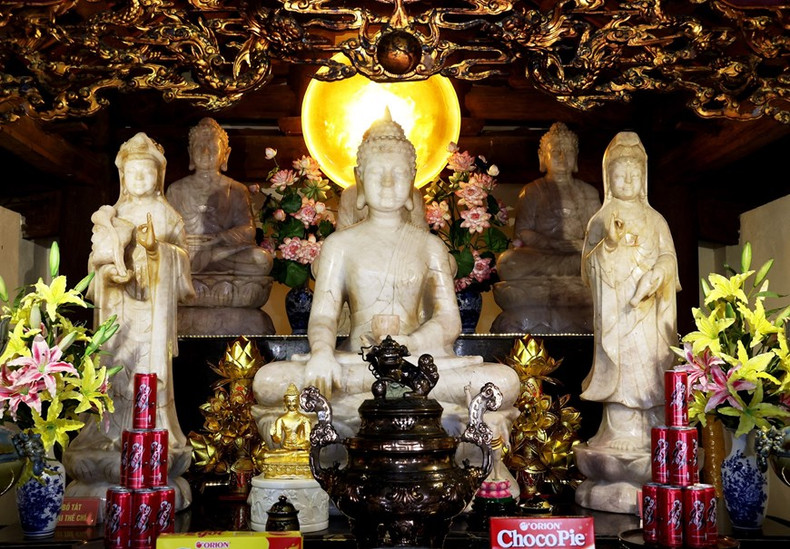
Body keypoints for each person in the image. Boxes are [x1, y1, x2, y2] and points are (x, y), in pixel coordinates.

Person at [252, 112, 520, 460]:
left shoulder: (429, 246)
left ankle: (356, 413)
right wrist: (320, 353)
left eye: (399, 174)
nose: (389, 182)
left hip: (418, 366)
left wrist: (410, 344)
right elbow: (323, 318)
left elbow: (448, 322)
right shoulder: (340, 245)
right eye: (378, 173)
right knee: (270, 380)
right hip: (357, 366)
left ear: (413, 181)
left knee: (503, 380)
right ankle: (425, 416)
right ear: (359, 180)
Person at [63, 132, 195, 508]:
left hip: (152, 315)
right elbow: (93, 270)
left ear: (159, 177)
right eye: (133, 173)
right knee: (113, 369)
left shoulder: (169, 215)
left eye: (146, 173)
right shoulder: (112, 215)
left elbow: (185, 270)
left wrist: (158, 251)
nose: (140, 179)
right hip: (118, 316)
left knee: (149, 375)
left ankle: (155, 438)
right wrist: (108, 271)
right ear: (123, 177)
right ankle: (106, 436)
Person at [580, 130, 680, 452]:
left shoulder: (656, 220)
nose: (626, 180)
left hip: (648, 312)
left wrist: (659, 274)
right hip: (617, 312)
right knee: (622, 368)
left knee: (651, 365)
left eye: (633, 174)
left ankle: (653, 423)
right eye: (619, 174)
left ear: (643, 178)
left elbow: (668, 258)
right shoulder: (600, 218)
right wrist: (608, 243)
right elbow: (587, 268)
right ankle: (619, 429)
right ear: (609, 179)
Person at [492, 122, 600, 333]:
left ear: (576, 157)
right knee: (508, 262)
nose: (561, 156)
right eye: (555, 151)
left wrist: (578, 247)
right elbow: (523, 232)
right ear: (543, 157)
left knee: (597, 262)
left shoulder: (589, 192)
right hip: (541, 256)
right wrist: (554, 245)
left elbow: (596, 235)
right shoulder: (532, 190)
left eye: (568, 152)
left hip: (576, 257)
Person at [166, 117, 272, 276]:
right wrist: (184, 240)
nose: (205, 152)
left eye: (212, 148)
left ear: (226, 155)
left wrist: (219, 238)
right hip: (185, 253)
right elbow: (166, 229)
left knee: (261, 259)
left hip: (221, 253)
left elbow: (249, 230)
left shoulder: (236, 189)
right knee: (162, 259)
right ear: (190, 153)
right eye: (199, 147)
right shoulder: (175, 189)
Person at [270, 383, 312, 453]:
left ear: (299, 402)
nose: (291, 404)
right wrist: (272, 434)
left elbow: (308, 440)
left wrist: (299, 446)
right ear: (285, 402)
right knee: (268, 456)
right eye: (288, 401)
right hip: (286, 449)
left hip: (300, 450)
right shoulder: (281, 419)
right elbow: (278, 440)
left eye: (293, 401)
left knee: (307, 457)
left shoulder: (304, 419)